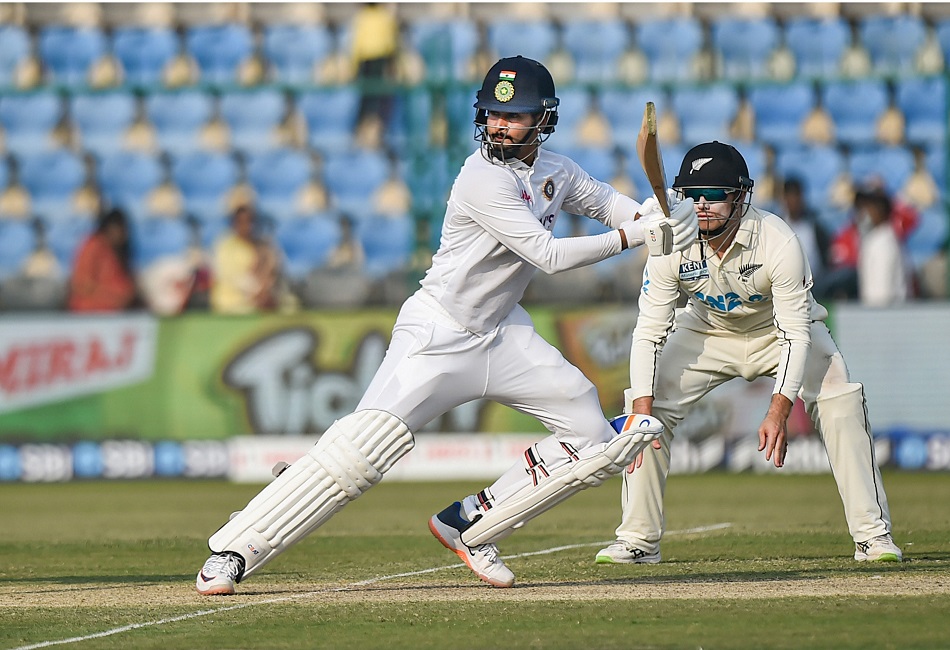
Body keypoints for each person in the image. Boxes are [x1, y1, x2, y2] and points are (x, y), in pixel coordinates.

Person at [195, 55, 698, 595]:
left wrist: (661, 215)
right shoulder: (480, 178)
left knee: (595, 438)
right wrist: (635, 238)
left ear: (543, 119)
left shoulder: (559, 171)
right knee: (362, 452)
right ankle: (234, 550)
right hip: (438, 334)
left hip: (504, 334)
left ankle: (470, 525)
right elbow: (547, 255)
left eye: (515, 115)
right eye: (493, 114)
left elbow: (615, 207)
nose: (500, 125)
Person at [595, 141, 901, 567]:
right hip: (707, 329)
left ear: (740, 197)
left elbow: (796, 332)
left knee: (837, 391)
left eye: (715, 195)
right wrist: (643, 412)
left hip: (777, 329)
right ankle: (638, 540)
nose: (702, 207)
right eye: (693, 196)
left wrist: (778, 408)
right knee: (644, 404)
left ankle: (873, 536)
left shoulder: (778, 241)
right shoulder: (670, 242)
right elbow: (649, 330)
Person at [209, 204, 280, 314]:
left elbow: (272, 272)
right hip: (230, 307)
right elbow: (234, 277)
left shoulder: (262, 246)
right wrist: (257, 290)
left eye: (251, 222)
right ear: (234, 224)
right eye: (242, 222)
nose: (247, 226)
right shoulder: (225, 247)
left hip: (257, 305)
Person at [68, 207, 138, 312]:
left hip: (119, 312)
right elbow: (81, 283)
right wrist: (115, 297)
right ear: (109, 228)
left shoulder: (119, 251)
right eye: (120, 229)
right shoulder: (94, 246)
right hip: (92, 312)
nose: (123, 235)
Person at [854, 185, 911, 306]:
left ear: (880, 209)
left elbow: (882, 294)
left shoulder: (884, 243)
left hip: (887, 316)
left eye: (868, 207)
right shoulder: (874, 238)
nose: (863, 212)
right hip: (877, 314)